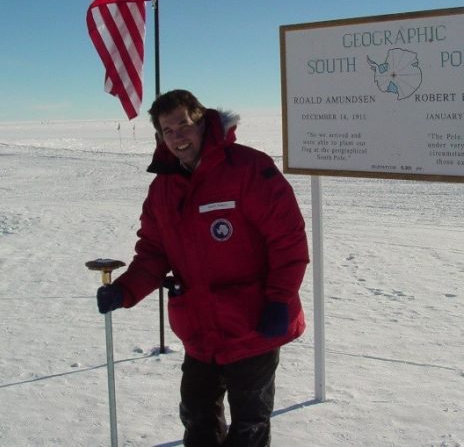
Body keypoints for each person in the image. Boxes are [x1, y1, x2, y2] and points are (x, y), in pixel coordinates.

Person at [96, 89, 309, 447]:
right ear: (160, 138)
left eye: (184, 125)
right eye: (168, 130)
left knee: (250, 427)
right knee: (197, 418)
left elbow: (288, 239)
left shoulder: (248, 168)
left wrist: (278, 300)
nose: (178, 137)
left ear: (203, 122)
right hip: (199, 329)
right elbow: (153, 251)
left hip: (253, 324)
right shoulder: (163, 188)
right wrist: (125, 290)